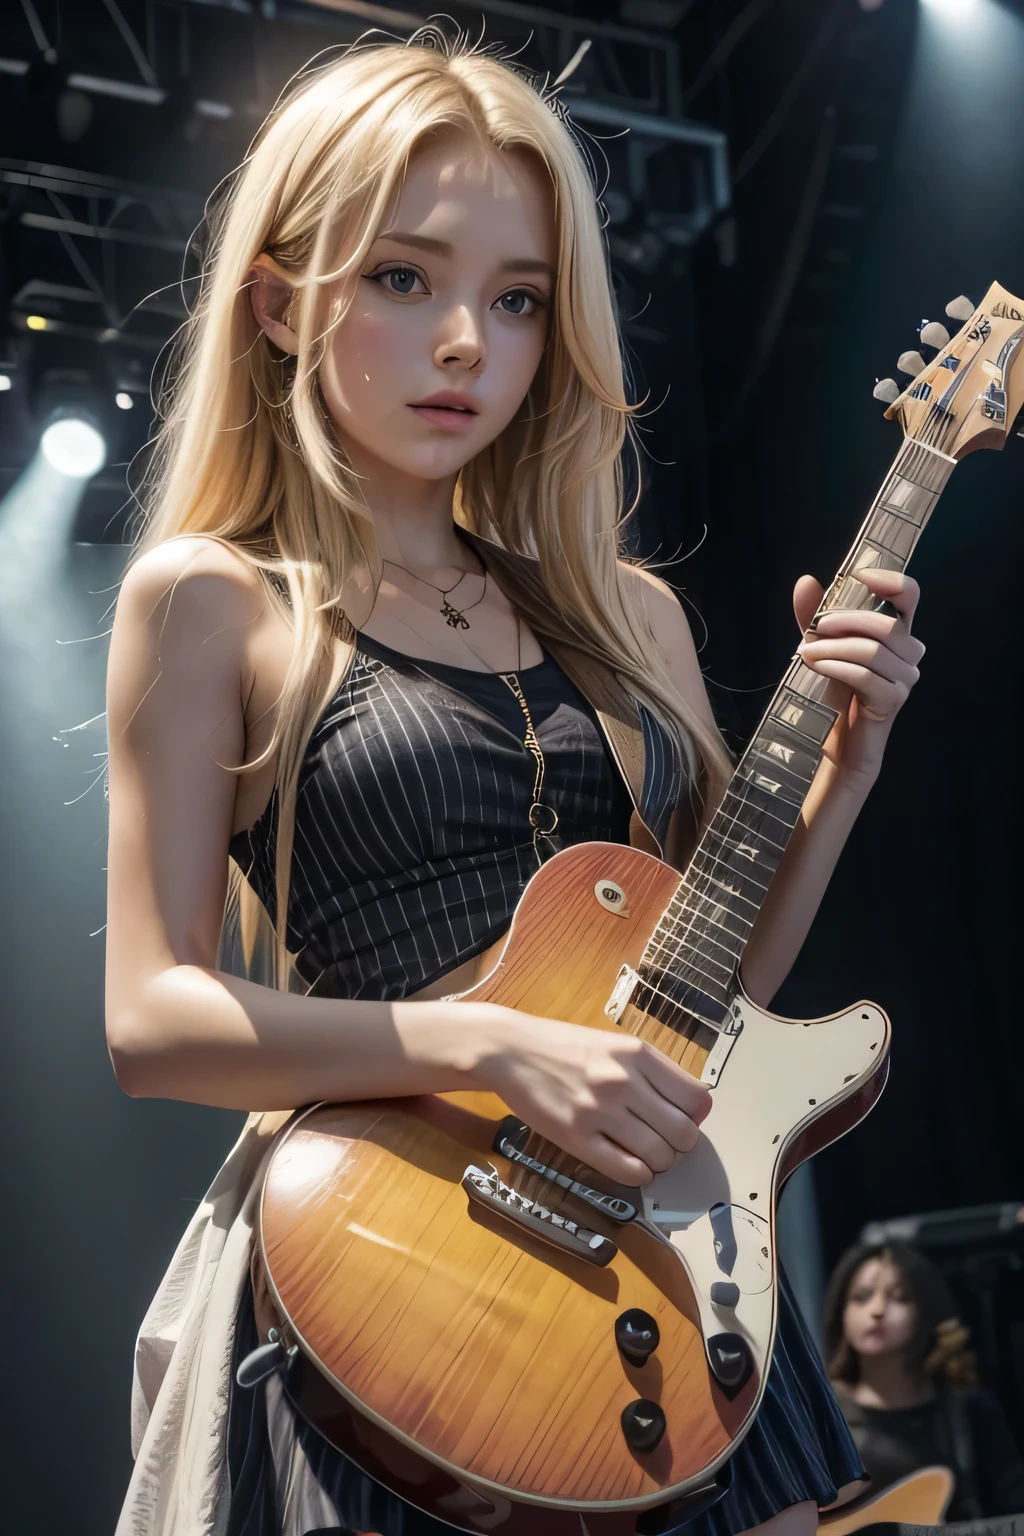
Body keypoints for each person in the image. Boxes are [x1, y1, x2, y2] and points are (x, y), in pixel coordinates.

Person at [105, 31, 928, 1536]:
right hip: (396, 1288)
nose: (470, 341)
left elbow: (710, 996)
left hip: (662, 1276)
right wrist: (492, 1049)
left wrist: (844, 779)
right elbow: (153, 1022)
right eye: (405, 279)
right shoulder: (215, 602)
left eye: (520, 299)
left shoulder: (630, 614)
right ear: (282, 303)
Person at [823, 1240, 1024, 1521]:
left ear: (927, 1313)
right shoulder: (818, 1418)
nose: (877, 1310)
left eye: (901, 1297)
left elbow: (1013, 1511)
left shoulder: (971, 1411)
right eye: (861, 1297)